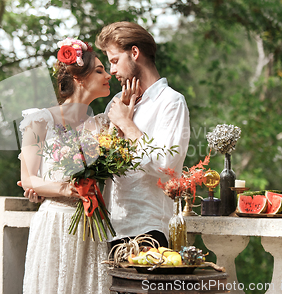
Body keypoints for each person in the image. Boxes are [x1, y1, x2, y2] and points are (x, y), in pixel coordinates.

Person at [19, 38, 113, 294]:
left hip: (92, 225)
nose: (109, 75)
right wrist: (65, 189)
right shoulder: (38, 121)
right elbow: (29, 180)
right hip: (55, 224)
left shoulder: (103, 126)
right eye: (100, 70)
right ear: (79, 78)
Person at [95, 21, 190, 249]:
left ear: (135, 53)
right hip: (111, 229)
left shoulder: (171, 102)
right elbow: (105, 166)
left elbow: (165, 166)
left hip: (149, 230)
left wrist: (128, 126)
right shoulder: (118, 104)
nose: (113, 71)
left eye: (115, 61)